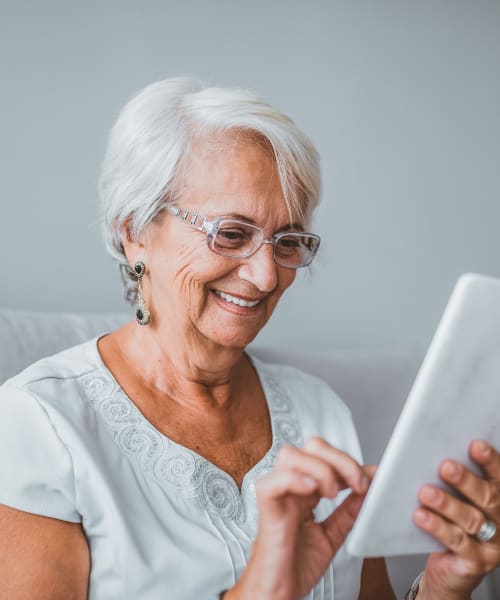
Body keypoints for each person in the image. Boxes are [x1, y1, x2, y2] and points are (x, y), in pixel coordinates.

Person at [0, 78, 498, 600]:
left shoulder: (318, 411)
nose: (265, 276)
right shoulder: (40, 425)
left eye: (287, 241)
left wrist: (443, 587)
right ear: (134, 231)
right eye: (231, 234)